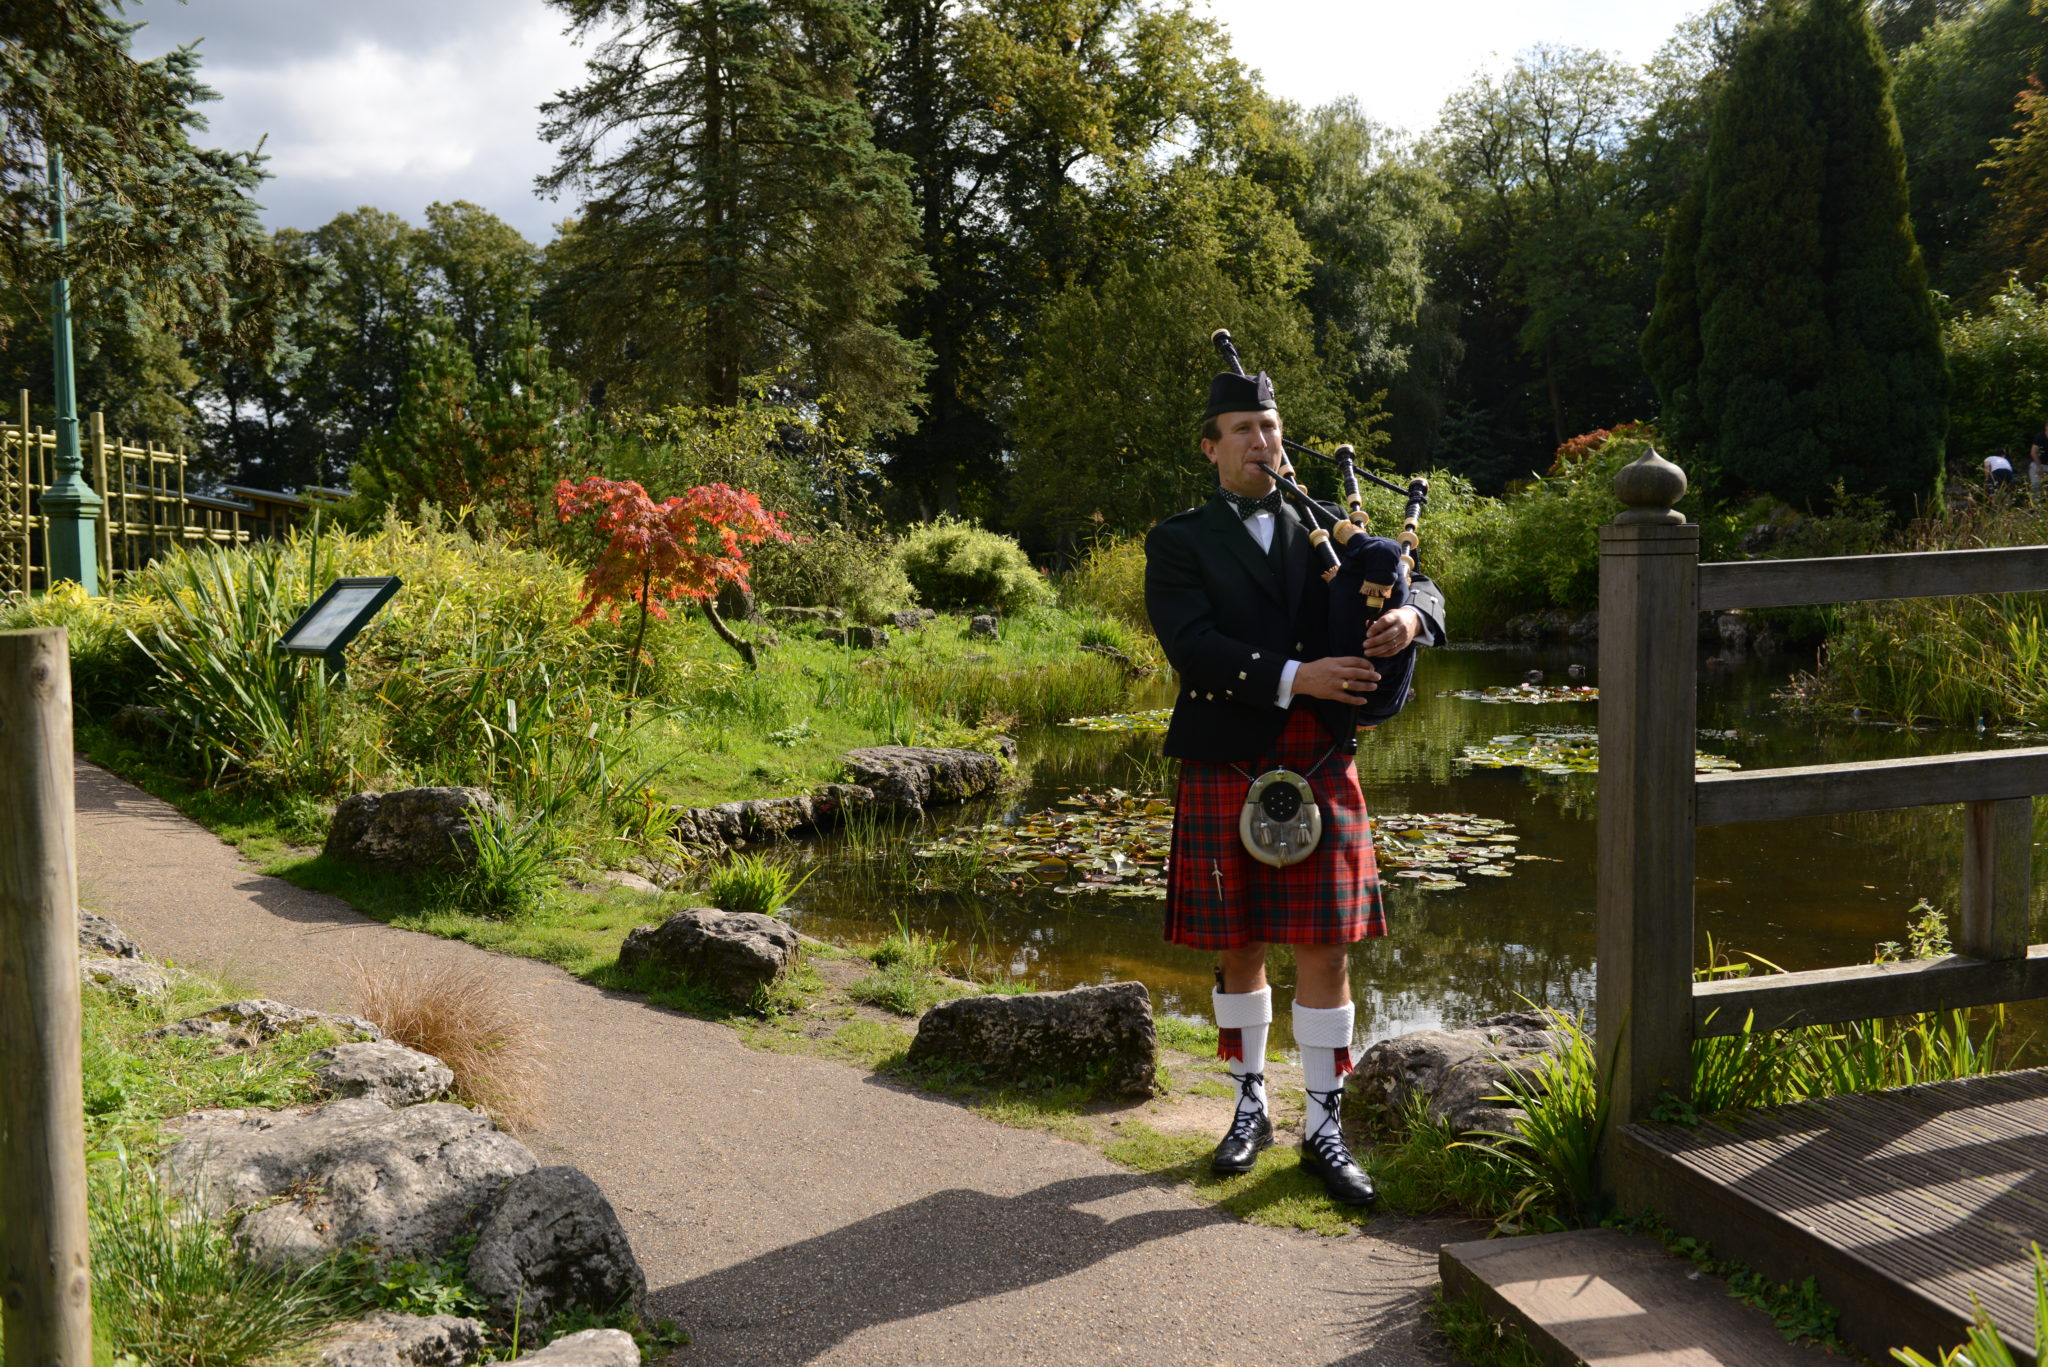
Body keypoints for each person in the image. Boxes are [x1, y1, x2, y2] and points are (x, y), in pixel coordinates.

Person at [1143, 358, 1446, 1206]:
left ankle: (1324, 1125)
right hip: (1225, 751)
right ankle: (1249, 1106)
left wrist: (1410, 615)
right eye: (1244, 430)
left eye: (1271, 428)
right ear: (1211, 447)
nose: (1262, 443)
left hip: (1319, 753)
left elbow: (1414, 573)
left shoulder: (1327, 526)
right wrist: (1295, 676)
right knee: (1238, 943)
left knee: (1325, 945)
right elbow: (1191, 645)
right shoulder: (1177, 541)